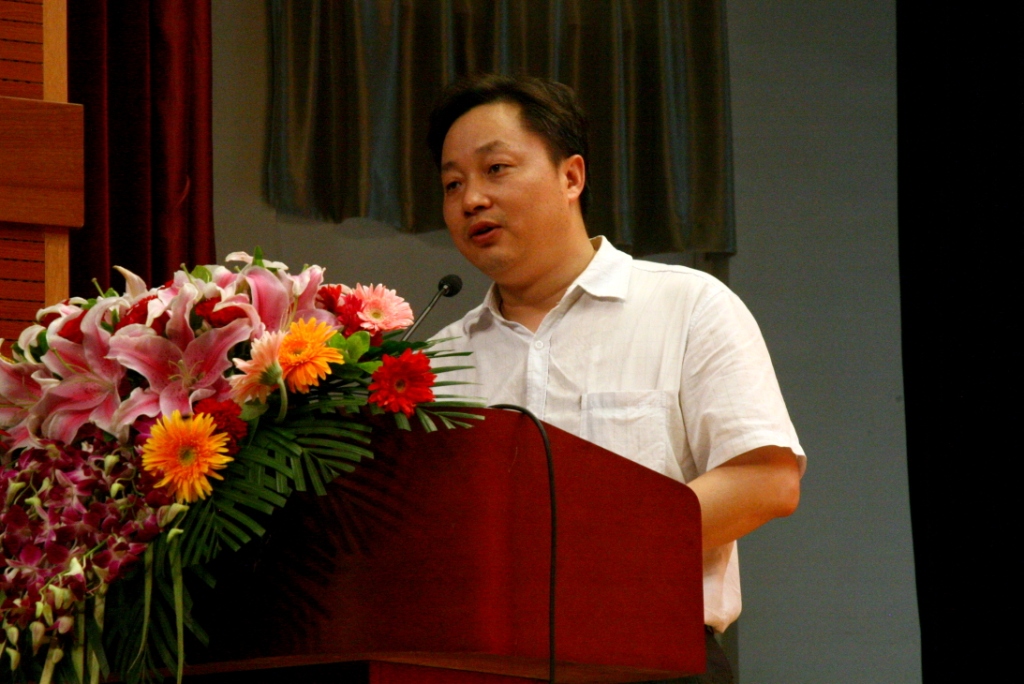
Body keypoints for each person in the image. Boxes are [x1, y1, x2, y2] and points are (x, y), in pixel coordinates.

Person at [427, 74, 805, 684]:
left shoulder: (686, 305)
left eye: (495, 169)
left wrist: (581, 546)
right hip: (484, 665)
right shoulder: (439, 361)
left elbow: (766, 480)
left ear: (571, 176)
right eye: (452, 184)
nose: (471, 199)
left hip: (654, 657)